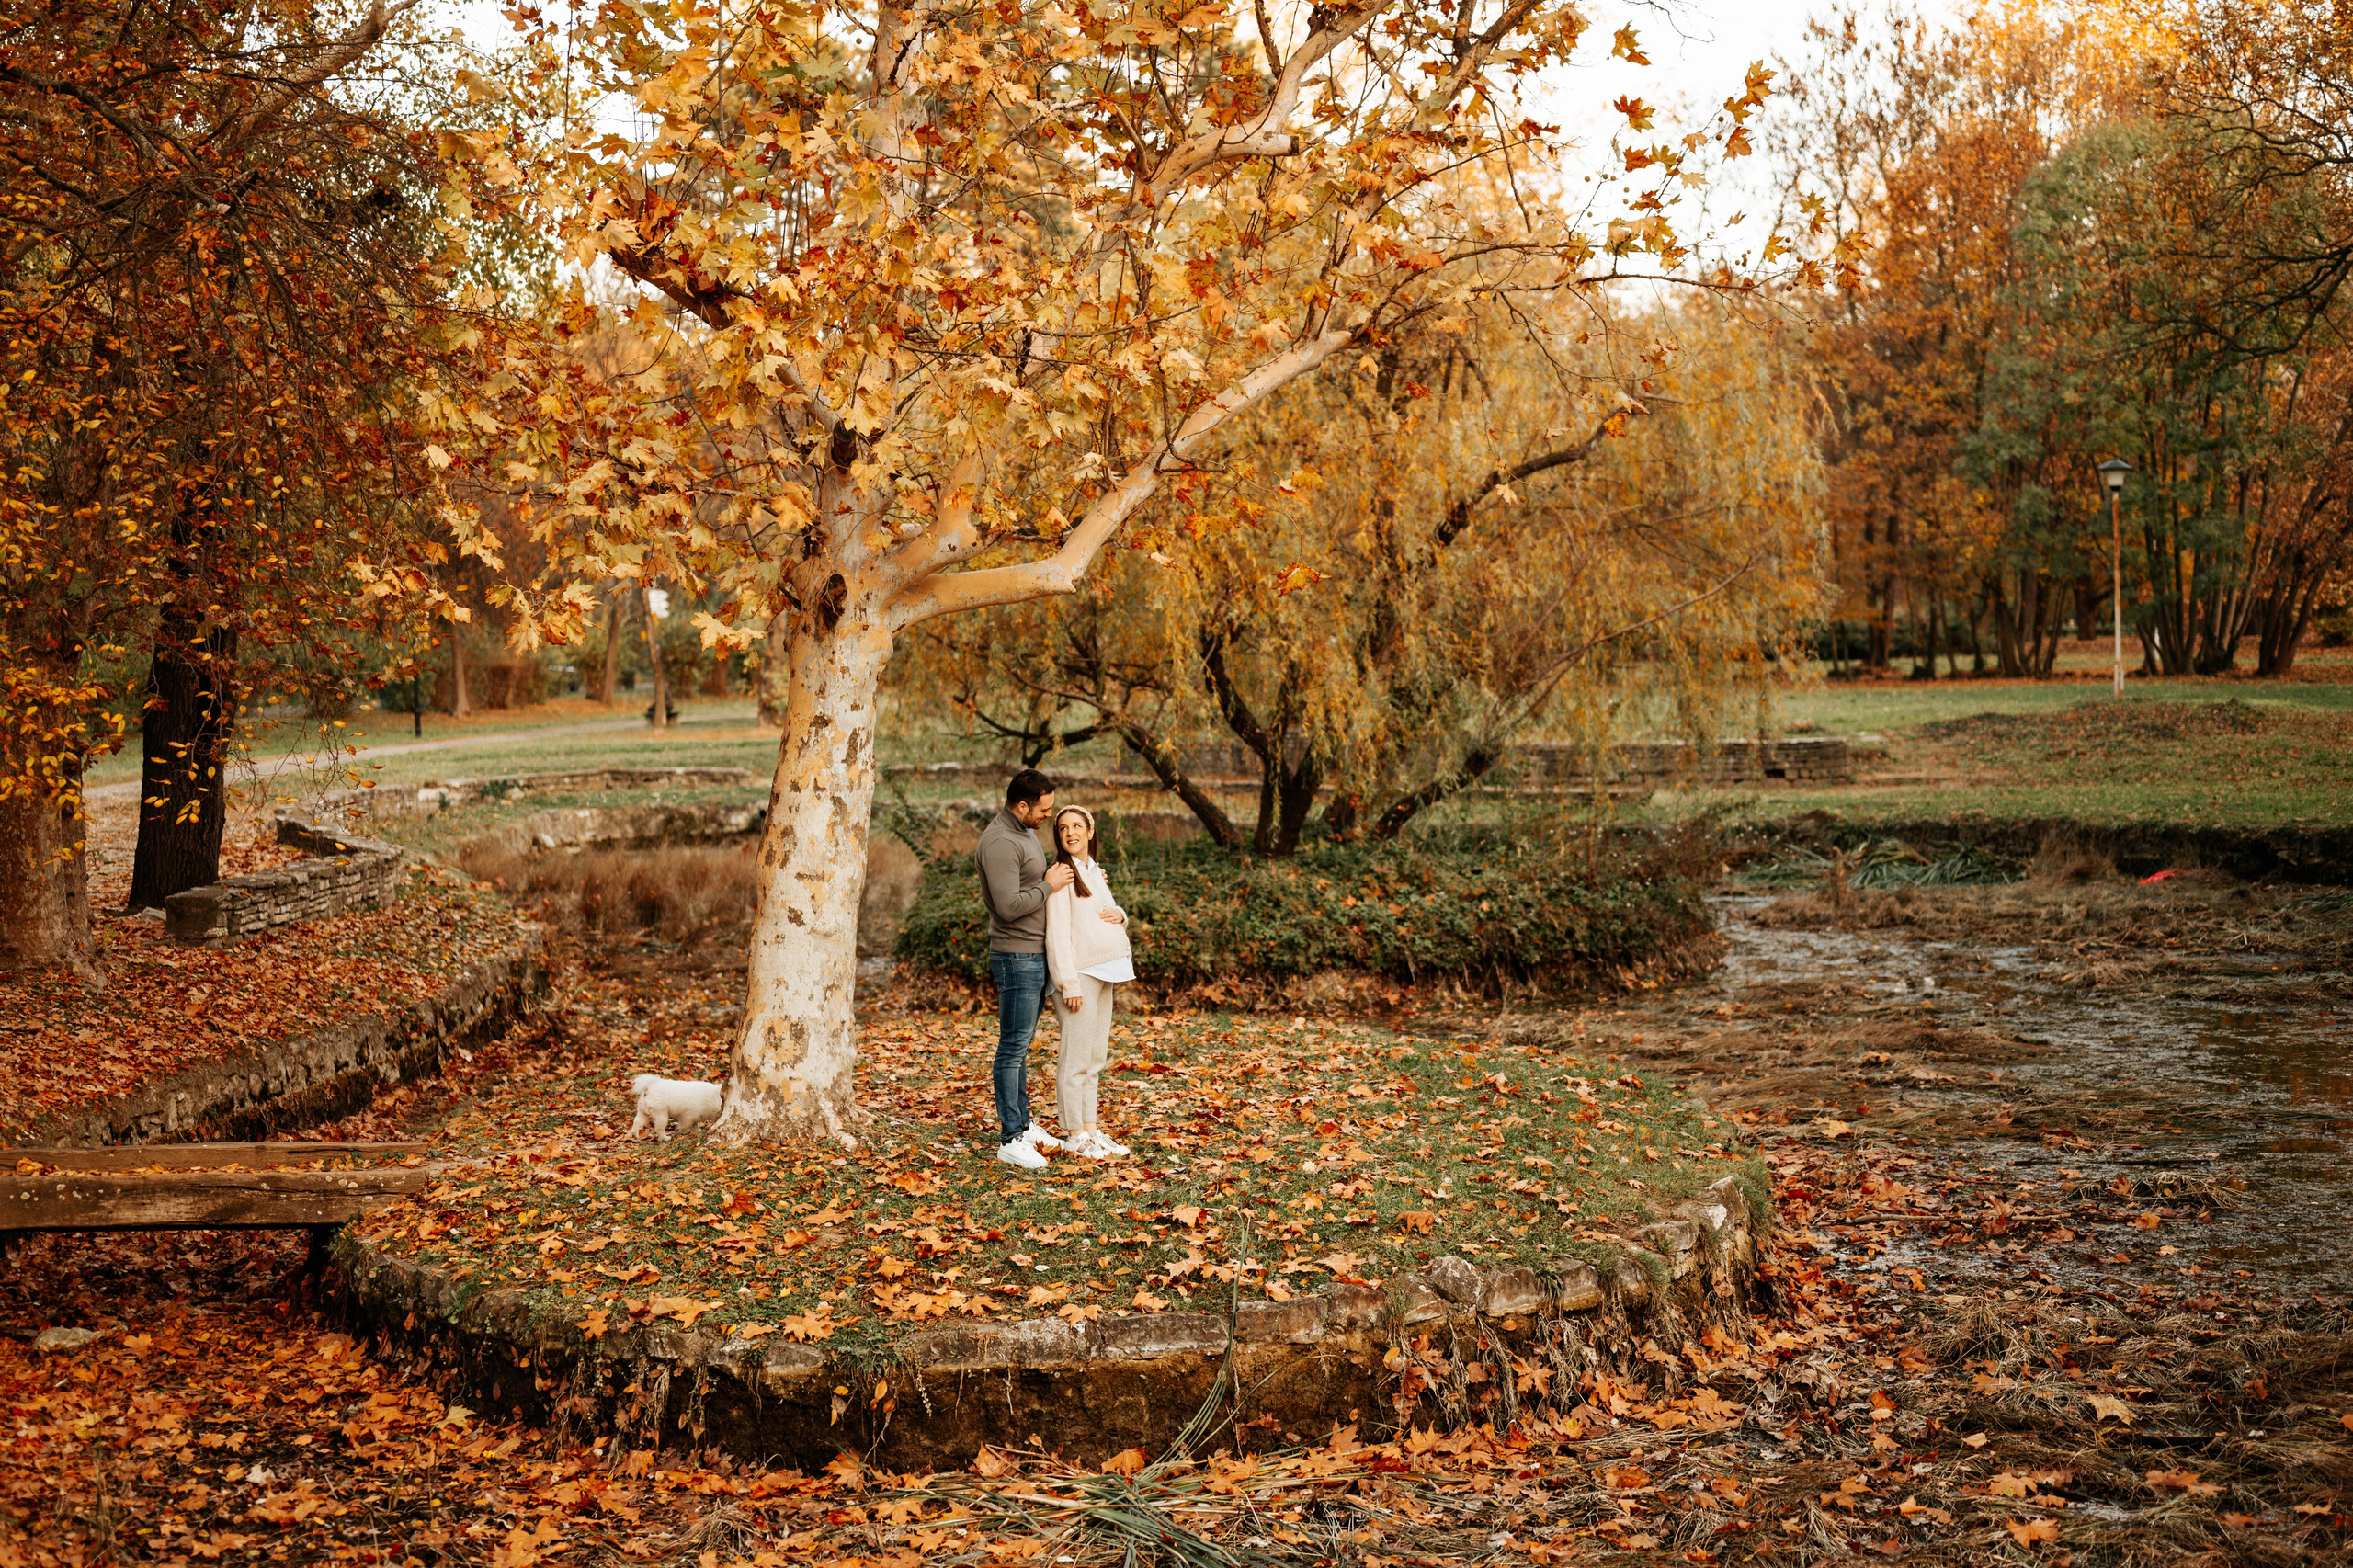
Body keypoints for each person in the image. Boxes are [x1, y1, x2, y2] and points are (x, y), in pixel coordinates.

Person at [975, 768, 1074, 1169]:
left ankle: (1024, 1124)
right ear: (1021, 806)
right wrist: (1050, 885)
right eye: (1044, 809)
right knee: (1012, 1047)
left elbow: (1033, 881)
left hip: (1034, 953)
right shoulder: (1000, 841)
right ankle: (1010, 1137)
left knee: (1022, 1045)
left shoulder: (1023, 831)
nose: (1048, 815)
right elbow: (1009, 906)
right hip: (1016, 956)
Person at [1043, 804, 1133, 1160]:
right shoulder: (1061, 875)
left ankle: (1091, 1129)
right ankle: (1073, 1132)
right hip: (1080, 973)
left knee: (1095, 1057)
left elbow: (1104, 913)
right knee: (1075, 1057)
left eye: (1077, 826)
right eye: (1064, 828)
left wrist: (1121, 915)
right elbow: (1058, 935)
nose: (1070, 833)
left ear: (1091, 831)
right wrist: (1068, 983)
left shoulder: (1093, 871)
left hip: (1106, 969)